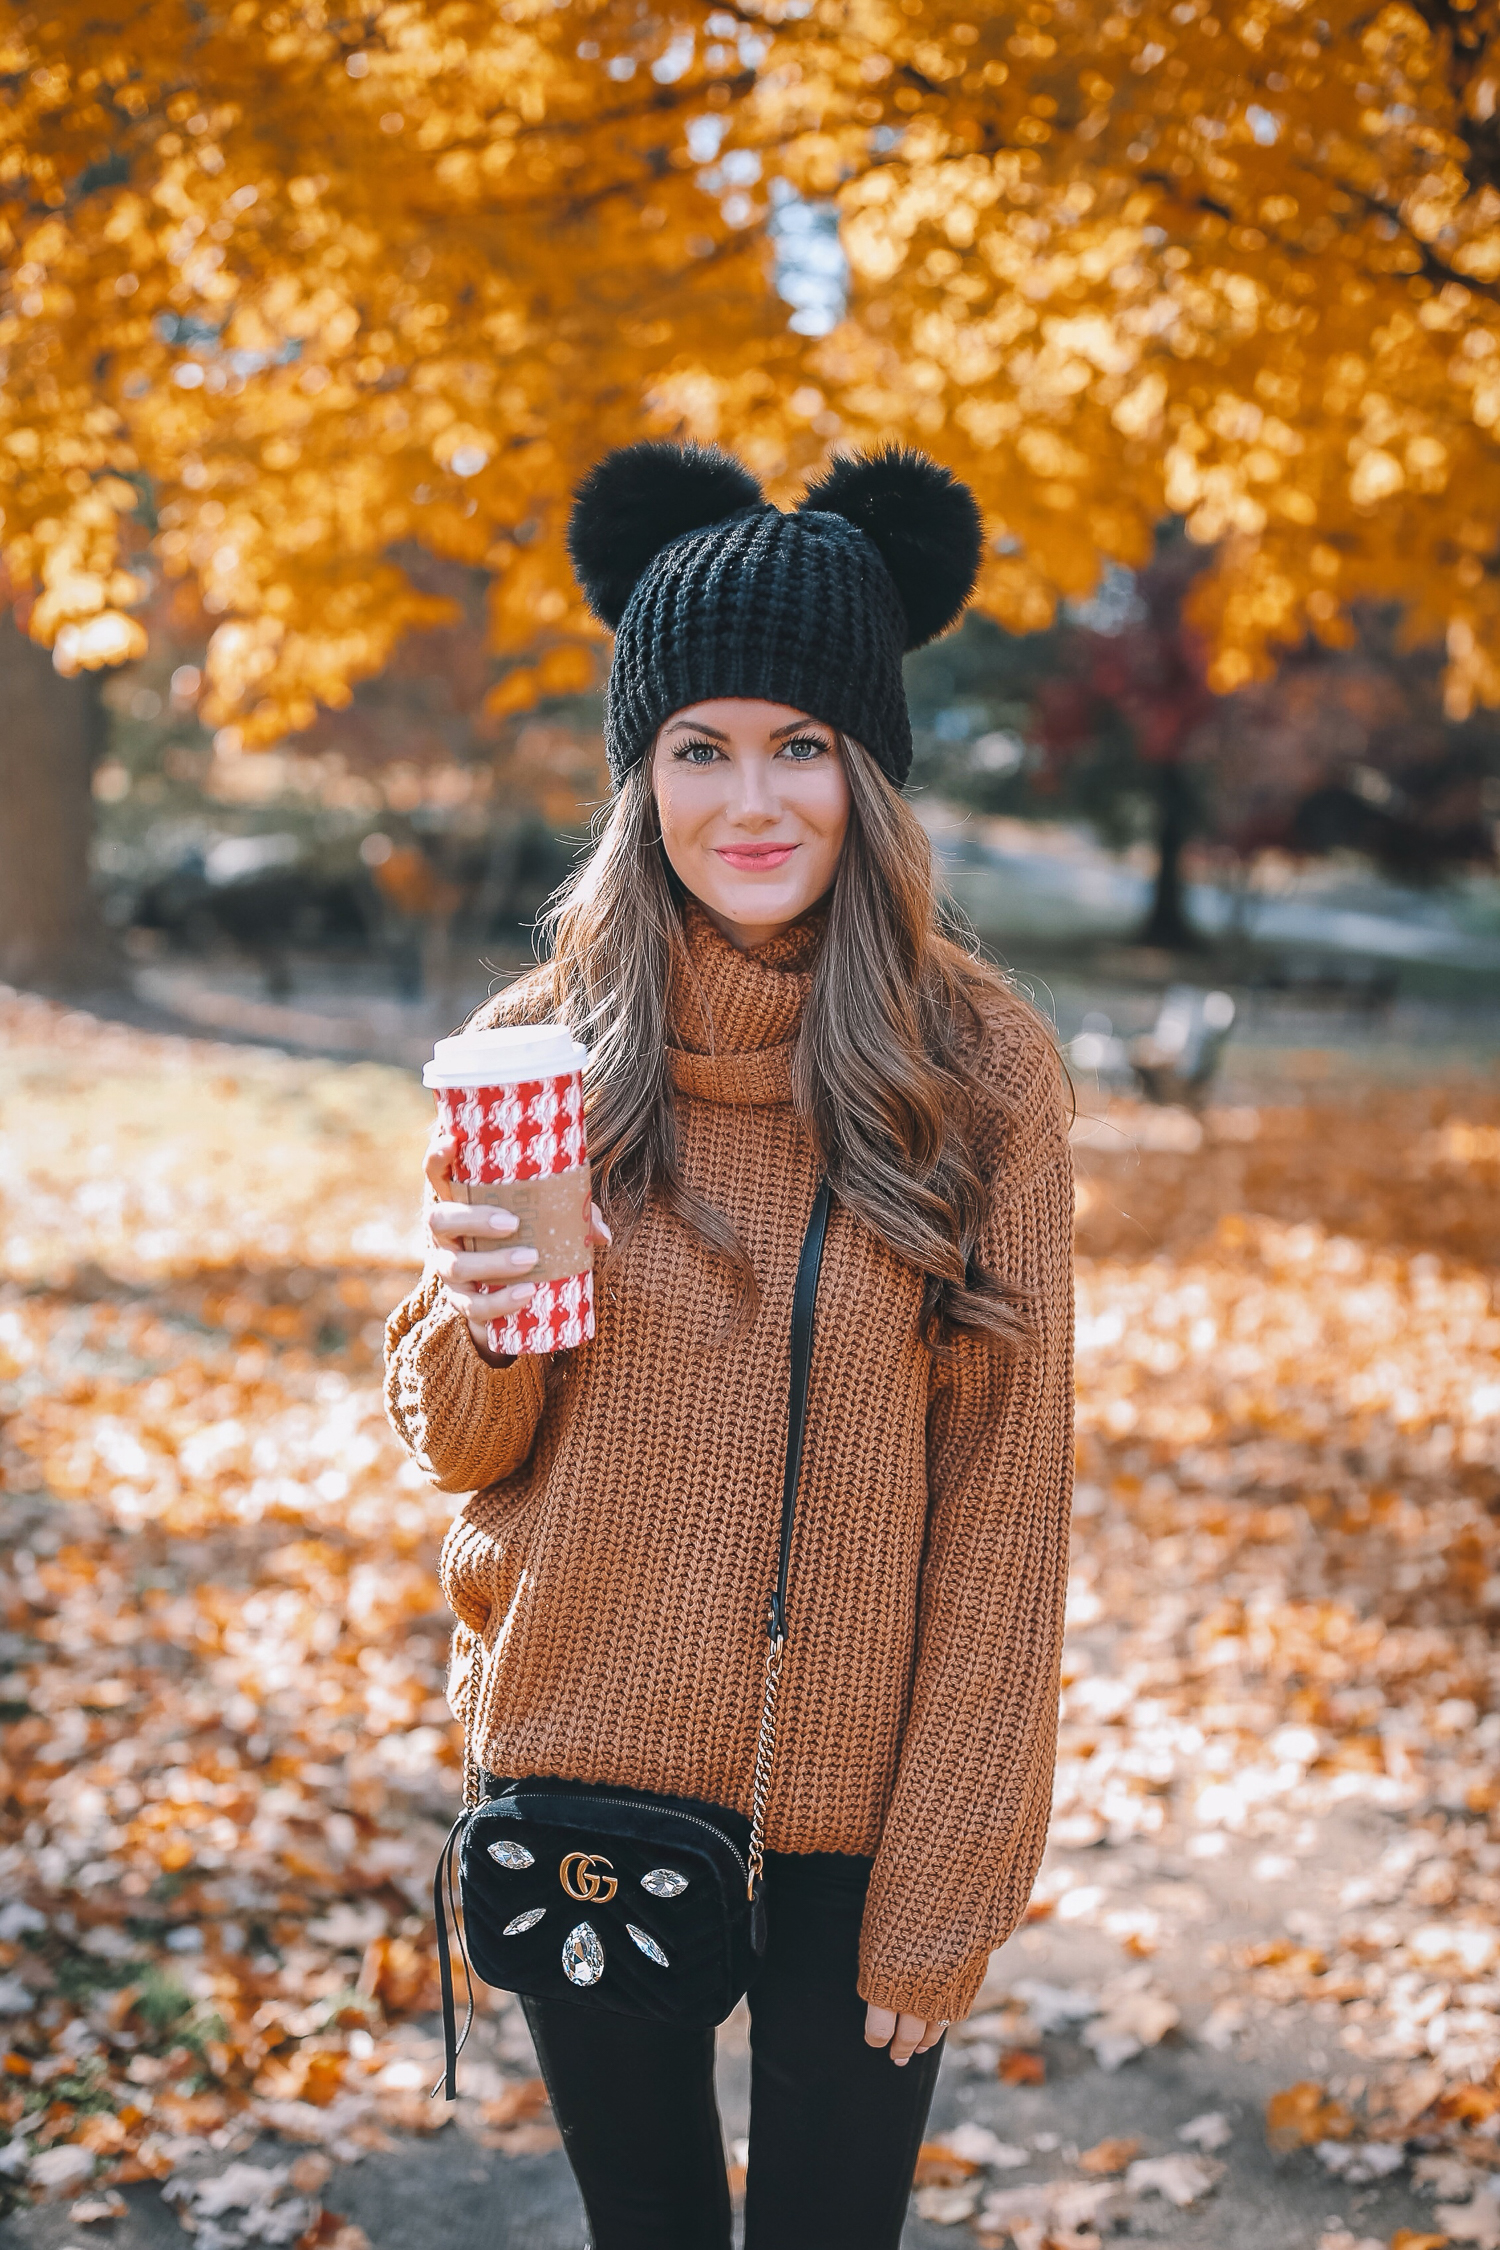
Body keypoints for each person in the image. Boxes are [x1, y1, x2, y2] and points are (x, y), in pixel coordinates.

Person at [384, 443, 1074, 2250]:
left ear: (868, 771)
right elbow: (466, 1447)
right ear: (642, 775)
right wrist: (475, 1303)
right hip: (587, 1760)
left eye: (800, 745)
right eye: (699, 745)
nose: (748, 797)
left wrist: (952, 1876)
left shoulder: (976, 1071)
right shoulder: (539, 1047)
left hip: (861, 1826)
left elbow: (1010, 1502)